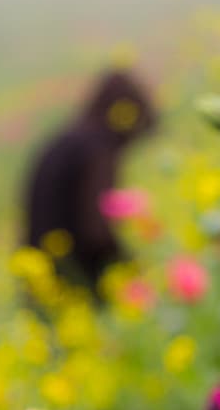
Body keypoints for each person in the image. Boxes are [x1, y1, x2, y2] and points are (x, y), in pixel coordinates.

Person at [20, 69, 157, 296]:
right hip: (70, 284)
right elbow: (96, 232)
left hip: (41, 277)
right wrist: (135, 269)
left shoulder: (69, 139)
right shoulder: (98, 148)